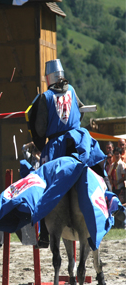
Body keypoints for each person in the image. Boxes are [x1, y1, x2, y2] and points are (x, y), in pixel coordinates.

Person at [32, 59, 107, 248]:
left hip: (57, 146)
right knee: (97, 165)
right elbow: (80, 113)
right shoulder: (72, 90)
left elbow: (40, 130)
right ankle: (107, 204)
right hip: (78, 140)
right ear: (62, 74)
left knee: (44, 183)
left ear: (48, 78)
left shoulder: (45, 97)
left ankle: (44, 233)